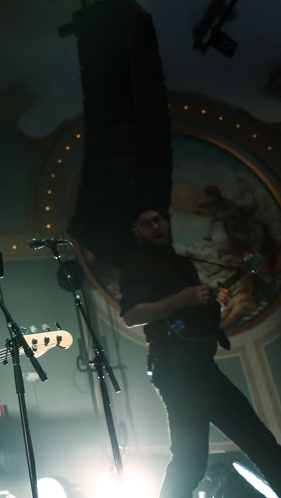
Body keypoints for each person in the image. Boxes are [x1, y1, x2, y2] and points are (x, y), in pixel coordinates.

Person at [119, 208, 281, 497]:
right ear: (136, 230)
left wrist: (212, 301)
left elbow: (191, 317)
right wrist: (183, 298)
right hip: (175, 373)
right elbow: (131, 315)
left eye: (160, 219)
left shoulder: (181, 263)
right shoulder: (136, 266)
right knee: (191, 462)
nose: (156, 226)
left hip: (202, 368)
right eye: (147, 222)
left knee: (263, 446)